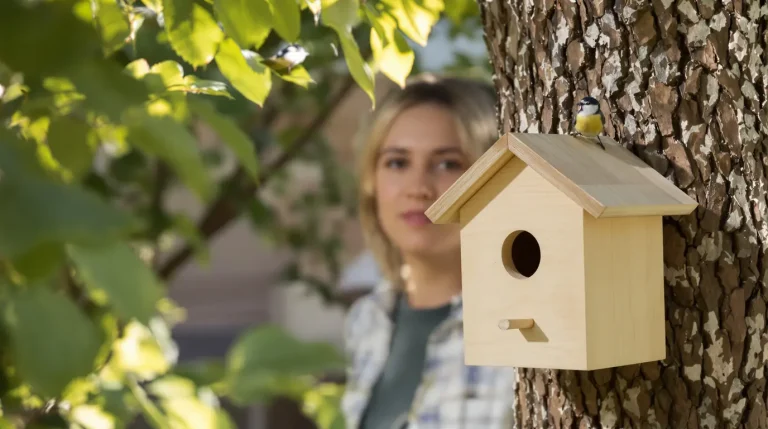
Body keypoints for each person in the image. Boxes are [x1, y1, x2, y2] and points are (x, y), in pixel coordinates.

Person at [341, 74, 518, 429]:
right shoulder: (367, 320)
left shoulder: (524, 329)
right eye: (397, 162)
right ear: (371, 182)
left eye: (447, 163)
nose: (418, 188)